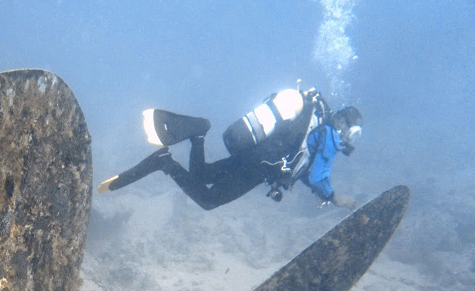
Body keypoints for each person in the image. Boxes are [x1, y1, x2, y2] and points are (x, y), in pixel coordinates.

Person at [98, 87, 363, 211]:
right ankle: (168, 160)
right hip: (259, 168)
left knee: (201, 176)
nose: (350, 140)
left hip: (254, 155)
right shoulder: (328, 135)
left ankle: (193, 138)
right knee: (208, 200)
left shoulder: (313, 126)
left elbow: (302, 169)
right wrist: (334, 196)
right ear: (343, 125)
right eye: (353, 134)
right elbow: (317, 175)